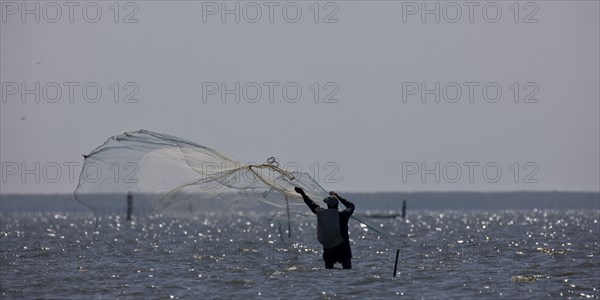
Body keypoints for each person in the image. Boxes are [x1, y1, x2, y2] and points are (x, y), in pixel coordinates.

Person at [294, 186, 355, 269]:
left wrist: (302, 193)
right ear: (337, 205)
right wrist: (338, 197)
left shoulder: (321, 214)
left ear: (327, 205)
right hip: (343, 248)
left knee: (328, 272)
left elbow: (311, 204)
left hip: (329, 249)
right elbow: (351, 206)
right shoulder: (343, 215)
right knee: (348, 271)